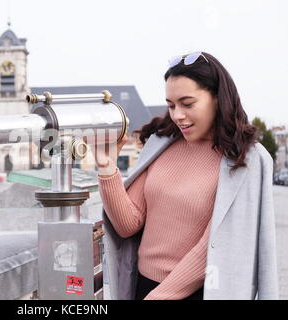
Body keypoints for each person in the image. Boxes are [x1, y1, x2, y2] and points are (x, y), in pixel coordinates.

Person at [89, 52, 279, 300]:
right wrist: (106, 168)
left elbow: (213, 246)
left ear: (217, 98)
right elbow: (127, 226)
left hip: (204, 292)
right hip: (144, 287)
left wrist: (162, 295)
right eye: (171, 105)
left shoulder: (245, 158)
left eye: (187, 104)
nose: (177, 114)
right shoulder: (160, 143)